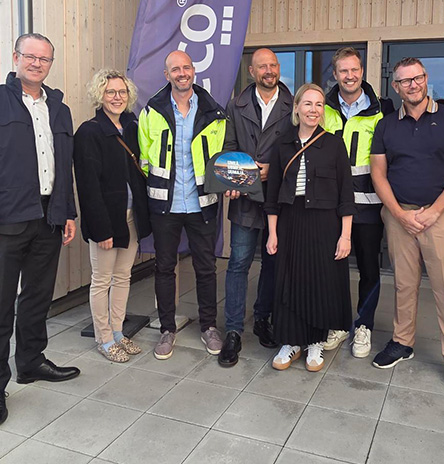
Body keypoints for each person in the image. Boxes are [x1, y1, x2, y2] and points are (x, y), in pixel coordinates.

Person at [0, 33, 80, 428]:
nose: (37, 63)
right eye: (31, 56)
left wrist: (68, 212)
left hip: (48, 219)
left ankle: (30, 361)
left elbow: (64, 165)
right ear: (16, 57)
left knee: (37, 299)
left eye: (45, 58)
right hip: (4, 220)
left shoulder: (59, 109)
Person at [369, 57, 444, 398]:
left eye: (417, 78)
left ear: (426, 79)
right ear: (396, 87)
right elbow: (378, 174)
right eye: (405, 81)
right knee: (403, 285)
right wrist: (398, 213)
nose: (412, 85)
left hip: (440, 216)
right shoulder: (386, 126)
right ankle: (403, 342)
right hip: (400, 216)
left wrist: (435, 211)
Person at [138, 50, 227, 360]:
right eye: (175, 69)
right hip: (166, 204)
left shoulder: (214, 112)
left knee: (206, 267)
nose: (181, 73)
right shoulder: (152, 111)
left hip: (203, 202)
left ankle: (209, 327)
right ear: (167, 75)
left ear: (193, 70)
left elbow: (222, 156)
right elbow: (145, 159)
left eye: (186, 67)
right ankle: (167, 329)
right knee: (164, 268)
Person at [265, 83, 355, 373]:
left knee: (320, 281)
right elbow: (272, 194)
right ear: (297, 108)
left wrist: (345, 235)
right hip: (290, 221)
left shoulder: (334, 145)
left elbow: (346, 195)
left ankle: (315, 341)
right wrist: (272, 232)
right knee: (289, 279)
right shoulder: (283, 145)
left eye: (319, 105)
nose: (313, 110)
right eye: (307, 104)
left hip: (325, 224)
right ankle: (290, 341)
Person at [218, 48, 293, 367]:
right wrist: (240, 177)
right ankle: (233, 331)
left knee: (273, 264)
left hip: (278, 199)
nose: (269, 70)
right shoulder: (235, 106)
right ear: (252, 71)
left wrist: (273, 169)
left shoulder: (293, 105)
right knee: (238, 264)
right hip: (246, 199)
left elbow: (298, 149)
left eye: (273, 65)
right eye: (263, 66)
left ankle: (264, 319)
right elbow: (228, 148)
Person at [74, 70, 152, 363]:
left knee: (122, 277)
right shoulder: (89, 132)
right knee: (102, 280)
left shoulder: (132, 127)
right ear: (100, 96)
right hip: (106, 219)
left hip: (132, 217)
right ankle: (104, 338)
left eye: (121, 92)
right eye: (110, 92)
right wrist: (100, 229)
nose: (117, 97)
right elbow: (88, 186)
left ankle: (118, 332)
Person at [322, 47, 394, 359]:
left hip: (368, 205)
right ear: (335, 74)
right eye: (343, 71)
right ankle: (336, 323)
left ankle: (363, 324)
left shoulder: (383, 110)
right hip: (329, 204)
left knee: (368, 267)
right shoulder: (323, 108)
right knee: (331, 267)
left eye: (354, 70)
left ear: (362, 72)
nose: (349, 76)